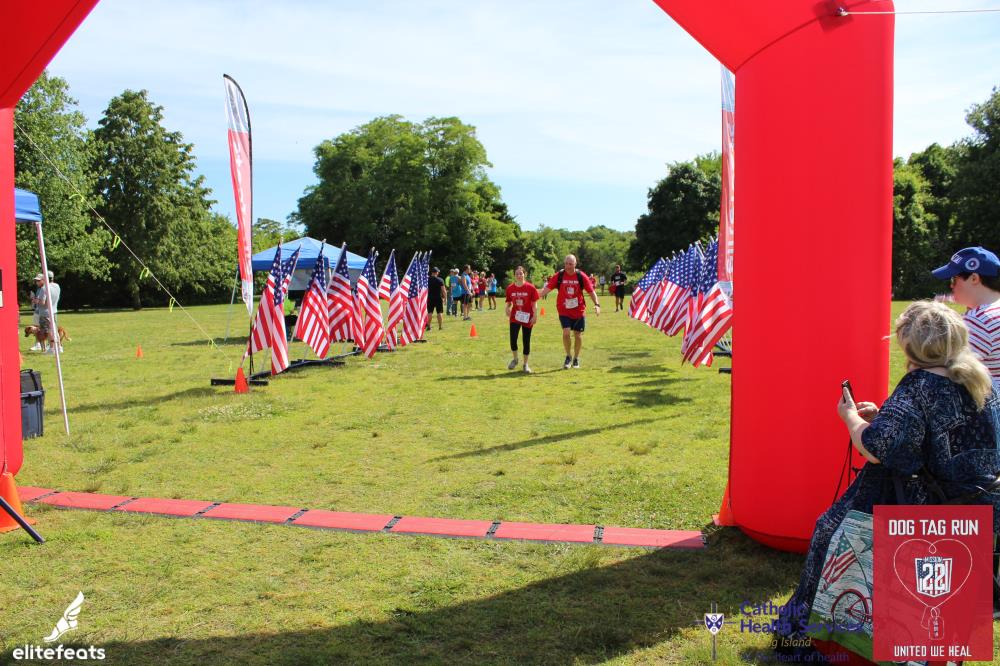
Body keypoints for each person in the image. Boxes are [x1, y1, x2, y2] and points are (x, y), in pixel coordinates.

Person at [775, 300, 1000, 653]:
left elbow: (876, 448)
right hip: (976, 510)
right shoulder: (981, 381)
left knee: (829, 531)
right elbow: (939, 437)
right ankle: (934, 651)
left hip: (920, 507)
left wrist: (851, 417)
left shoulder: (918, 387)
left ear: (911, 345)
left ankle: (809, 638)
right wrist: (884, 416)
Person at [932, 246, 1000, 379]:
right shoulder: (990, 313)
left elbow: (946, 367)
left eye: (954, 279)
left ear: (974, 278)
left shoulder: (979, 320)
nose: (951, 286)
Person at [538, 254, 600, 369]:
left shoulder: (581, 276)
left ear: (575, 264)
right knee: (566, 333)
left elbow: (591, 291)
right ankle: (568, 356)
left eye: (570, 264)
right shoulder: (559, 275)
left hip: (578, 310)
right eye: (566, 263)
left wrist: (597, 304)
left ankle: (576, 358)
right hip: (564, 310)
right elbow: (547, 289)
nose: (568, 266)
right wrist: (535, 297)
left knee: (578, 335)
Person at [505, 265, 539, 374]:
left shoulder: (531, 288)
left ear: (525, 274)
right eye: (517, 274)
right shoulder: (510, 288)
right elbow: (508, 302)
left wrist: (535, 315)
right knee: (513, 340)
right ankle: (515, 359)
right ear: (514, 276)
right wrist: (507, 308)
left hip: (527, 317)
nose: (519, 275)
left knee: (526, 340)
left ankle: (525, 364)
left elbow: (534, 304)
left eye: (521, 273)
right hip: (515, 317)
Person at [32, 270, 61, 353]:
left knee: (48, 331)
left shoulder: (44, 288)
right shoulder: (57, 286)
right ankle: (59, 347)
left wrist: (35, 300)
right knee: (54, 329)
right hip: (54, 311)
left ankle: (51, 348)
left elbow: (42, 302)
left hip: (45, 313)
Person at [426, 267, 446, 331]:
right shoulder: (440, 280)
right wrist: (445, 298)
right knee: (439, 312)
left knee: (430, 312)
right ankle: (440, 327)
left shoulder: (427, 280)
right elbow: (443, 290)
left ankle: (428, 326)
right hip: (438, 298)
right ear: (436, 272)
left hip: (430, 297)